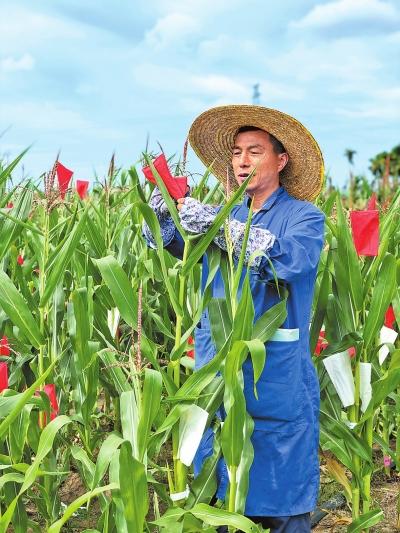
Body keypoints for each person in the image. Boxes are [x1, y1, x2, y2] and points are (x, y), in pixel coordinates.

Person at [143, 105, 325, 533]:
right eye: (238, 151)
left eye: (255, 151)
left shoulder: (304, 217)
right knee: (221, 492)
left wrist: (219, 224)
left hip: (273, 375)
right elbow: (173, 245)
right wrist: (165, 211)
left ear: (281, 161)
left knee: (281, 495)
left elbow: (289, 260)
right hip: (216, 373)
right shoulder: (227, 215)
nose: (242, 160)